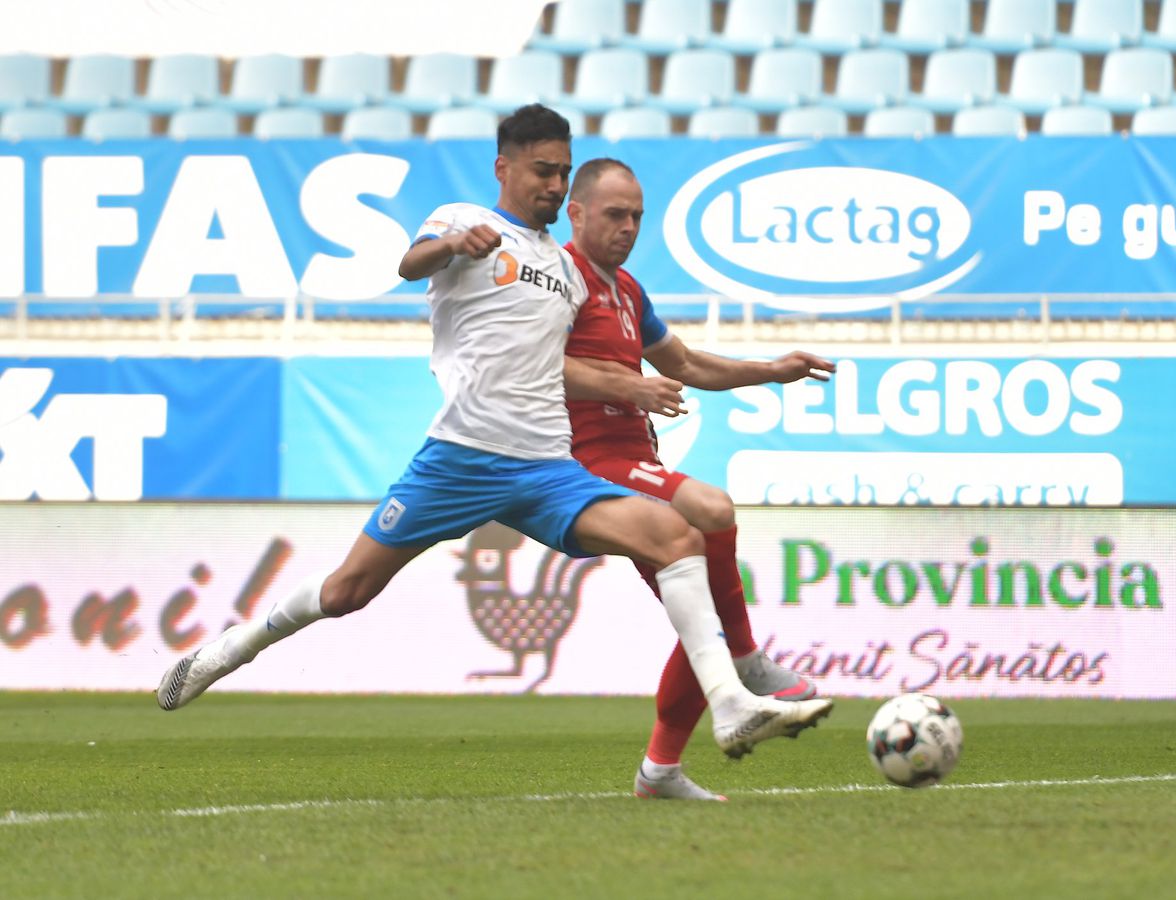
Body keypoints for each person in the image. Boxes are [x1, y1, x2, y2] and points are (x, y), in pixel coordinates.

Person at [156, 105, 833, 765]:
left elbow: (565, 365)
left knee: (679, 535)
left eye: (563, 172)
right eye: (543, 170)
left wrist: (665, 380)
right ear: (504, 167)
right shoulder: (465, 222)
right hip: (460, 459)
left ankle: (731, 703)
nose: (554, 184)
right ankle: (233, 648)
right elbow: (409, 264)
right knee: (346, 594)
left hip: (543, 465)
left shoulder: (569, 273)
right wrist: (450, 246)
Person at [561, 158, 838, 800]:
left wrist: (770, 370)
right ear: (575, 213)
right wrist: (629, 386)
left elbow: (683, 362)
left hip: (637, 458)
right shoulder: (557, 284)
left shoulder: (627, 290)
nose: (628, 226)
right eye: (614, 214)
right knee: (712, 507)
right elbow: (533, 365)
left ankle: (660, 770)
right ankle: (746, 659)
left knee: (699, 614)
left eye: (636, 216)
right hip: (585, 463)